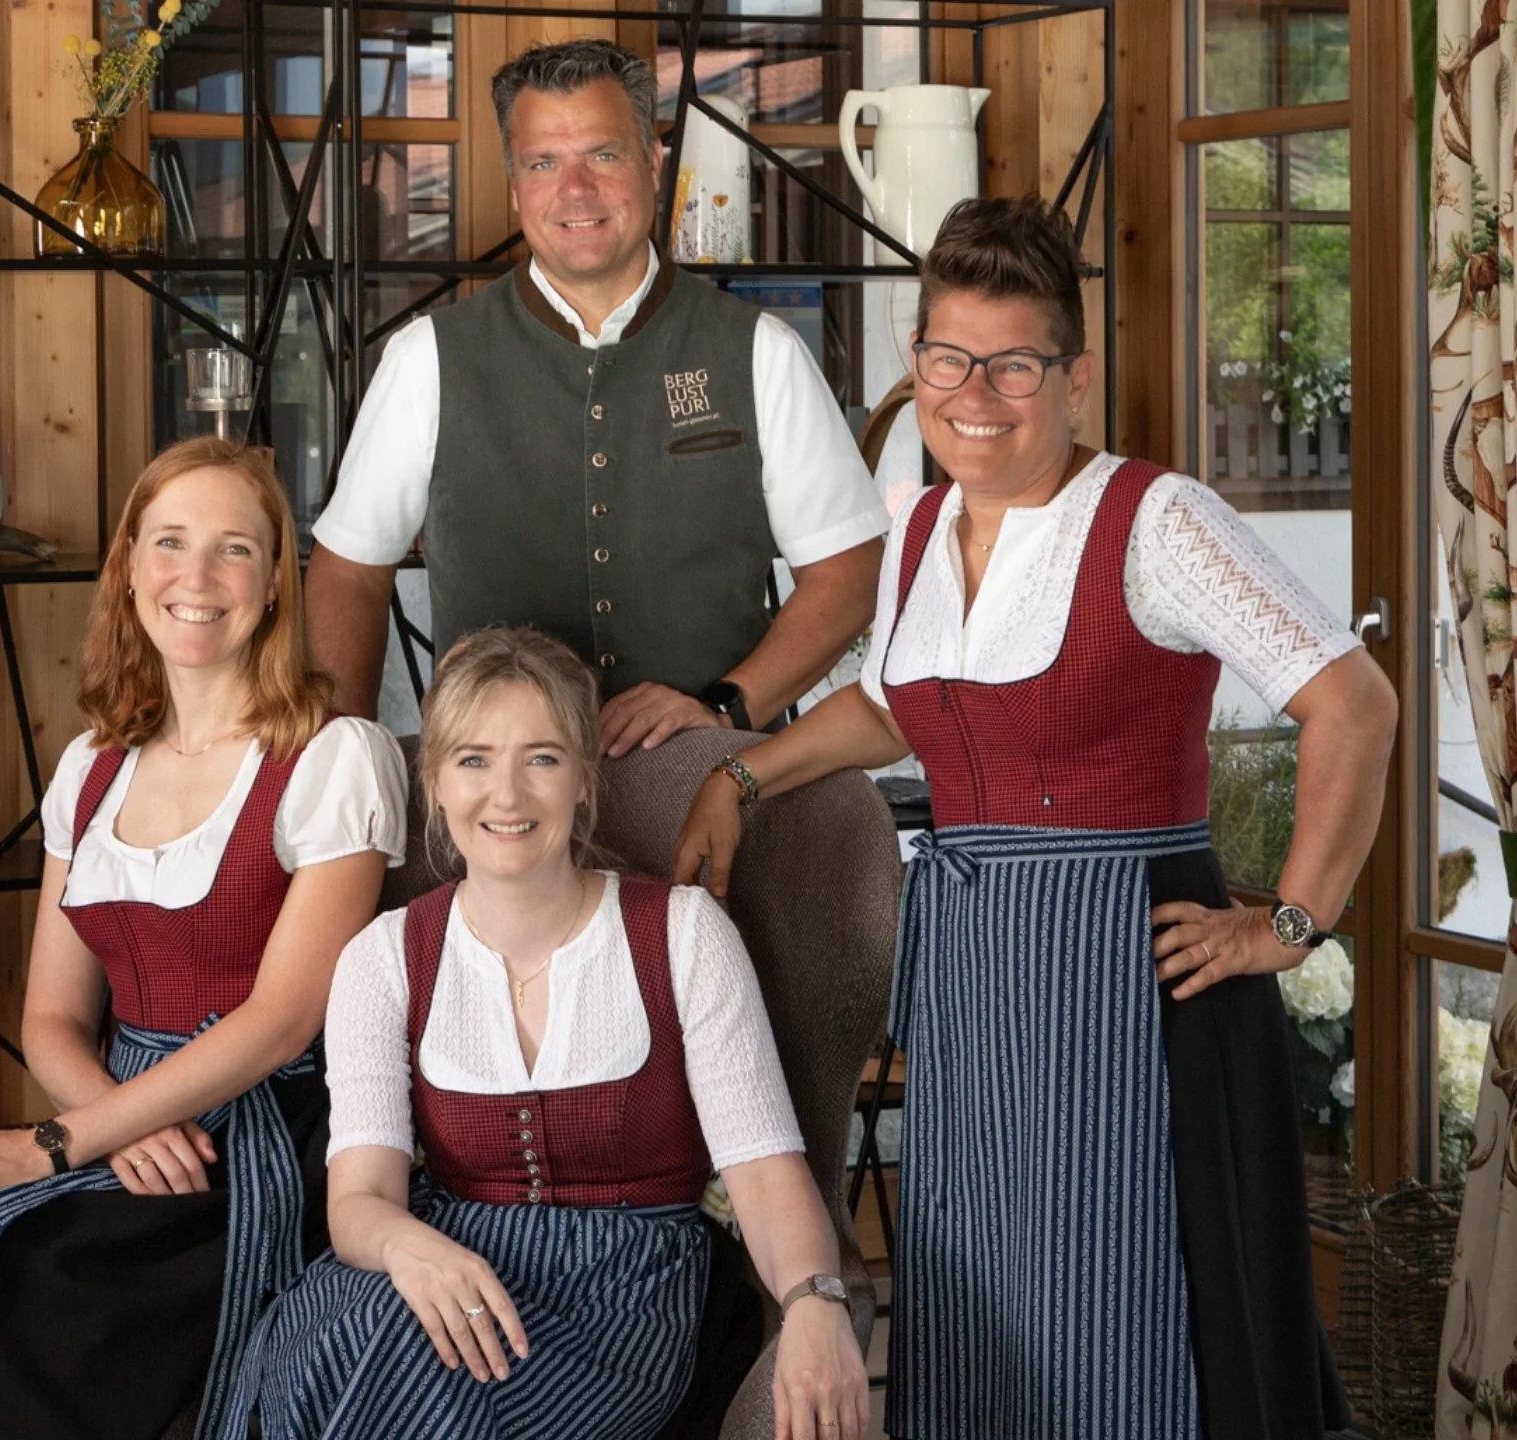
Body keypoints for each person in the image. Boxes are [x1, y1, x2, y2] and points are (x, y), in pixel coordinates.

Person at [674, 196, 1397, 1440]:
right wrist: (742, 778)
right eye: (950, 359)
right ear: (920, 366)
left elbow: (1356, 702)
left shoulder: (1158, 521)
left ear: (1073, 376)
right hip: (974, 976)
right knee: (982, 1302)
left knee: (1134, 1309)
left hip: (1131, 977)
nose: (978, 393)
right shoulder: (913, 531)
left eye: (1015, 363)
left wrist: (1292, 919)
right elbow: (907, 712)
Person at [0, 437, 408, 1440]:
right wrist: (112, 1125)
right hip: (127, 1130)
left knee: (32, 1278)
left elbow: (277, 1025)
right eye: (170, 542)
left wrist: (50, 1144)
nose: (197, 576)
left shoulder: (337, 758)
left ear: (273, 586)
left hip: (255, 1150)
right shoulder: (92, 766)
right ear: (131, 566)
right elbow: (49, 1016)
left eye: (235, 549)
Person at [232, 627, 868, 1440]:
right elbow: (359, 1201)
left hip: (628, 1291)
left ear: (581, 780)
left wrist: (815, 1300)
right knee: (344, 1343)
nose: (506, 795)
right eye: (473, 760)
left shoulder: (682, 935)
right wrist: (408, 1251)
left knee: (418, 1380)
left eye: (540, 758)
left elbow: (767, 1175)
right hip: (433, 1263)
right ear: (433, 783)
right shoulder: (382, 959)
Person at [305, 38, 887, 757]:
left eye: (603, 156)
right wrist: (349, 770)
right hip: (495, 806)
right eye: (544, 163)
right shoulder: (425, 358)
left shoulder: (761, 351)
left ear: (651, 163)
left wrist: (728, 707)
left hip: (705, 791)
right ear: (514, 184)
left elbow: (851, 573)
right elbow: (348, 575)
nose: (574, 191)